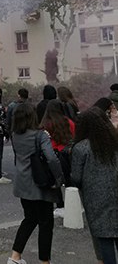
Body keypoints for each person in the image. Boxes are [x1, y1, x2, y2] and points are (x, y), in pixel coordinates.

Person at [8, 103, 64, 264]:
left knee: (29, 219)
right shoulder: (40, 136)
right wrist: (59, 179)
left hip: (22, 183)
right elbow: (51, 158)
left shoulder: (14, 135)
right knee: (46, 224)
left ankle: (15, 256)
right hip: (41, 184)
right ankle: (44, 261)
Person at [72, 108, 118, 264]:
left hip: (96, 199)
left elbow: (76, 177)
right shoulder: (115, 141)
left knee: (104, 240)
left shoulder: (81, 148)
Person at [39, 99, 75, 218]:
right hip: (67, 154)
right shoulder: (69, 122)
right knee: (69, 180)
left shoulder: (45, 124)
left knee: (56, 182)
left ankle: (60, 206)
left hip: (52, 155)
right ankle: (73, 204)